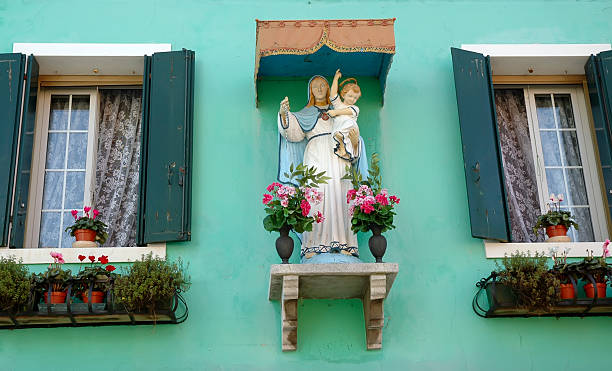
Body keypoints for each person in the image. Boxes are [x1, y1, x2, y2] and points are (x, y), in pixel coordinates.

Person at [277, 75, 368, 263]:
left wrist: (352, 143)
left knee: (341, 195)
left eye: (323, 85)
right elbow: (292, 133)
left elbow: (352, 133)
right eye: (315, 86)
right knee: (315, 196)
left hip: (338, 157)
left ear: (329, 89)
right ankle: (313, 246)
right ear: (310, 90)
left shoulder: (340, 110)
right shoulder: (305, 114)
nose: (319, 89)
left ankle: (344, 245)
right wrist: (284, 114)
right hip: (316, 156)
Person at [328, 69, 362, 162]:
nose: (352, 99)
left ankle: (343, 142)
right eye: (350, 96)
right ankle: (342, 147)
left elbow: (348, 111)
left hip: (349, 130)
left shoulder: (355, 108)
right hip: (338, 130)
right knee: (337, 131)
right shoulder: (338, 105)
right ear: (343, 95)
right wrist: (335, 79)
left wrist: (335, 112)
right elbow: (333, 94)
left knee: (348, 122)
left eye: (355, 98)